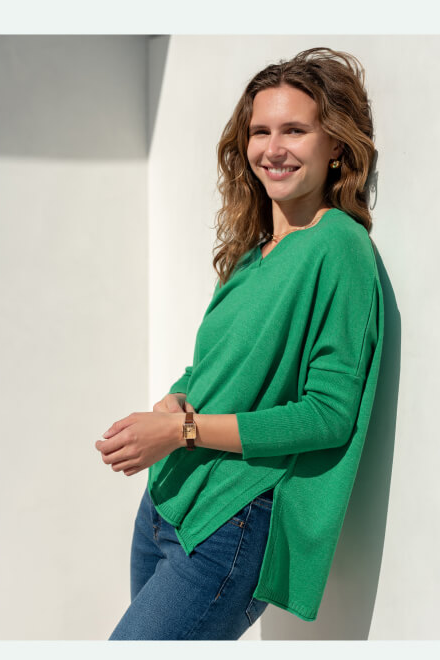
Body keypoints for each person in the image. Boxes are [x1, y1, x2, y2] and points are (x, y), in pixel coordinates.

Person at [95, 46, 385, 640]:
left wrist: (182, 431)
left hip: (233, 519)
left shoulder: (339, 247)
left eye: (295, 130)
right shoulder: (252, 255)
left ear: (335, 146)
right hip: (169, 500)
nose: (272, 148)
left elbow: (329, 415)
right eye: (260, 131)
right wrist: (175, 400)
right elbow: (215, 369)